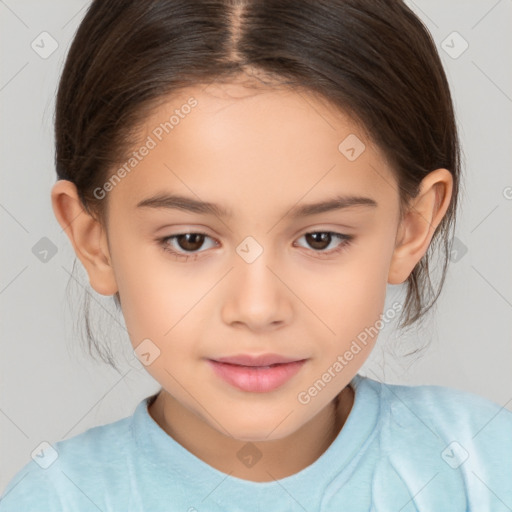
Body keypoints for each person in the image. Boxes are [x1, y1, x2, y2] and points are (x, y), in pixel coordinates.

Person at [1, 0, 511, 510]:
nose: (257, 308)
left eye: (320, 238)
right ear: (94, 241)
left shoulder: (483, 468)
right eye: (190, 240)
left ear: (411, 228)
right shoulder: (58, 499)